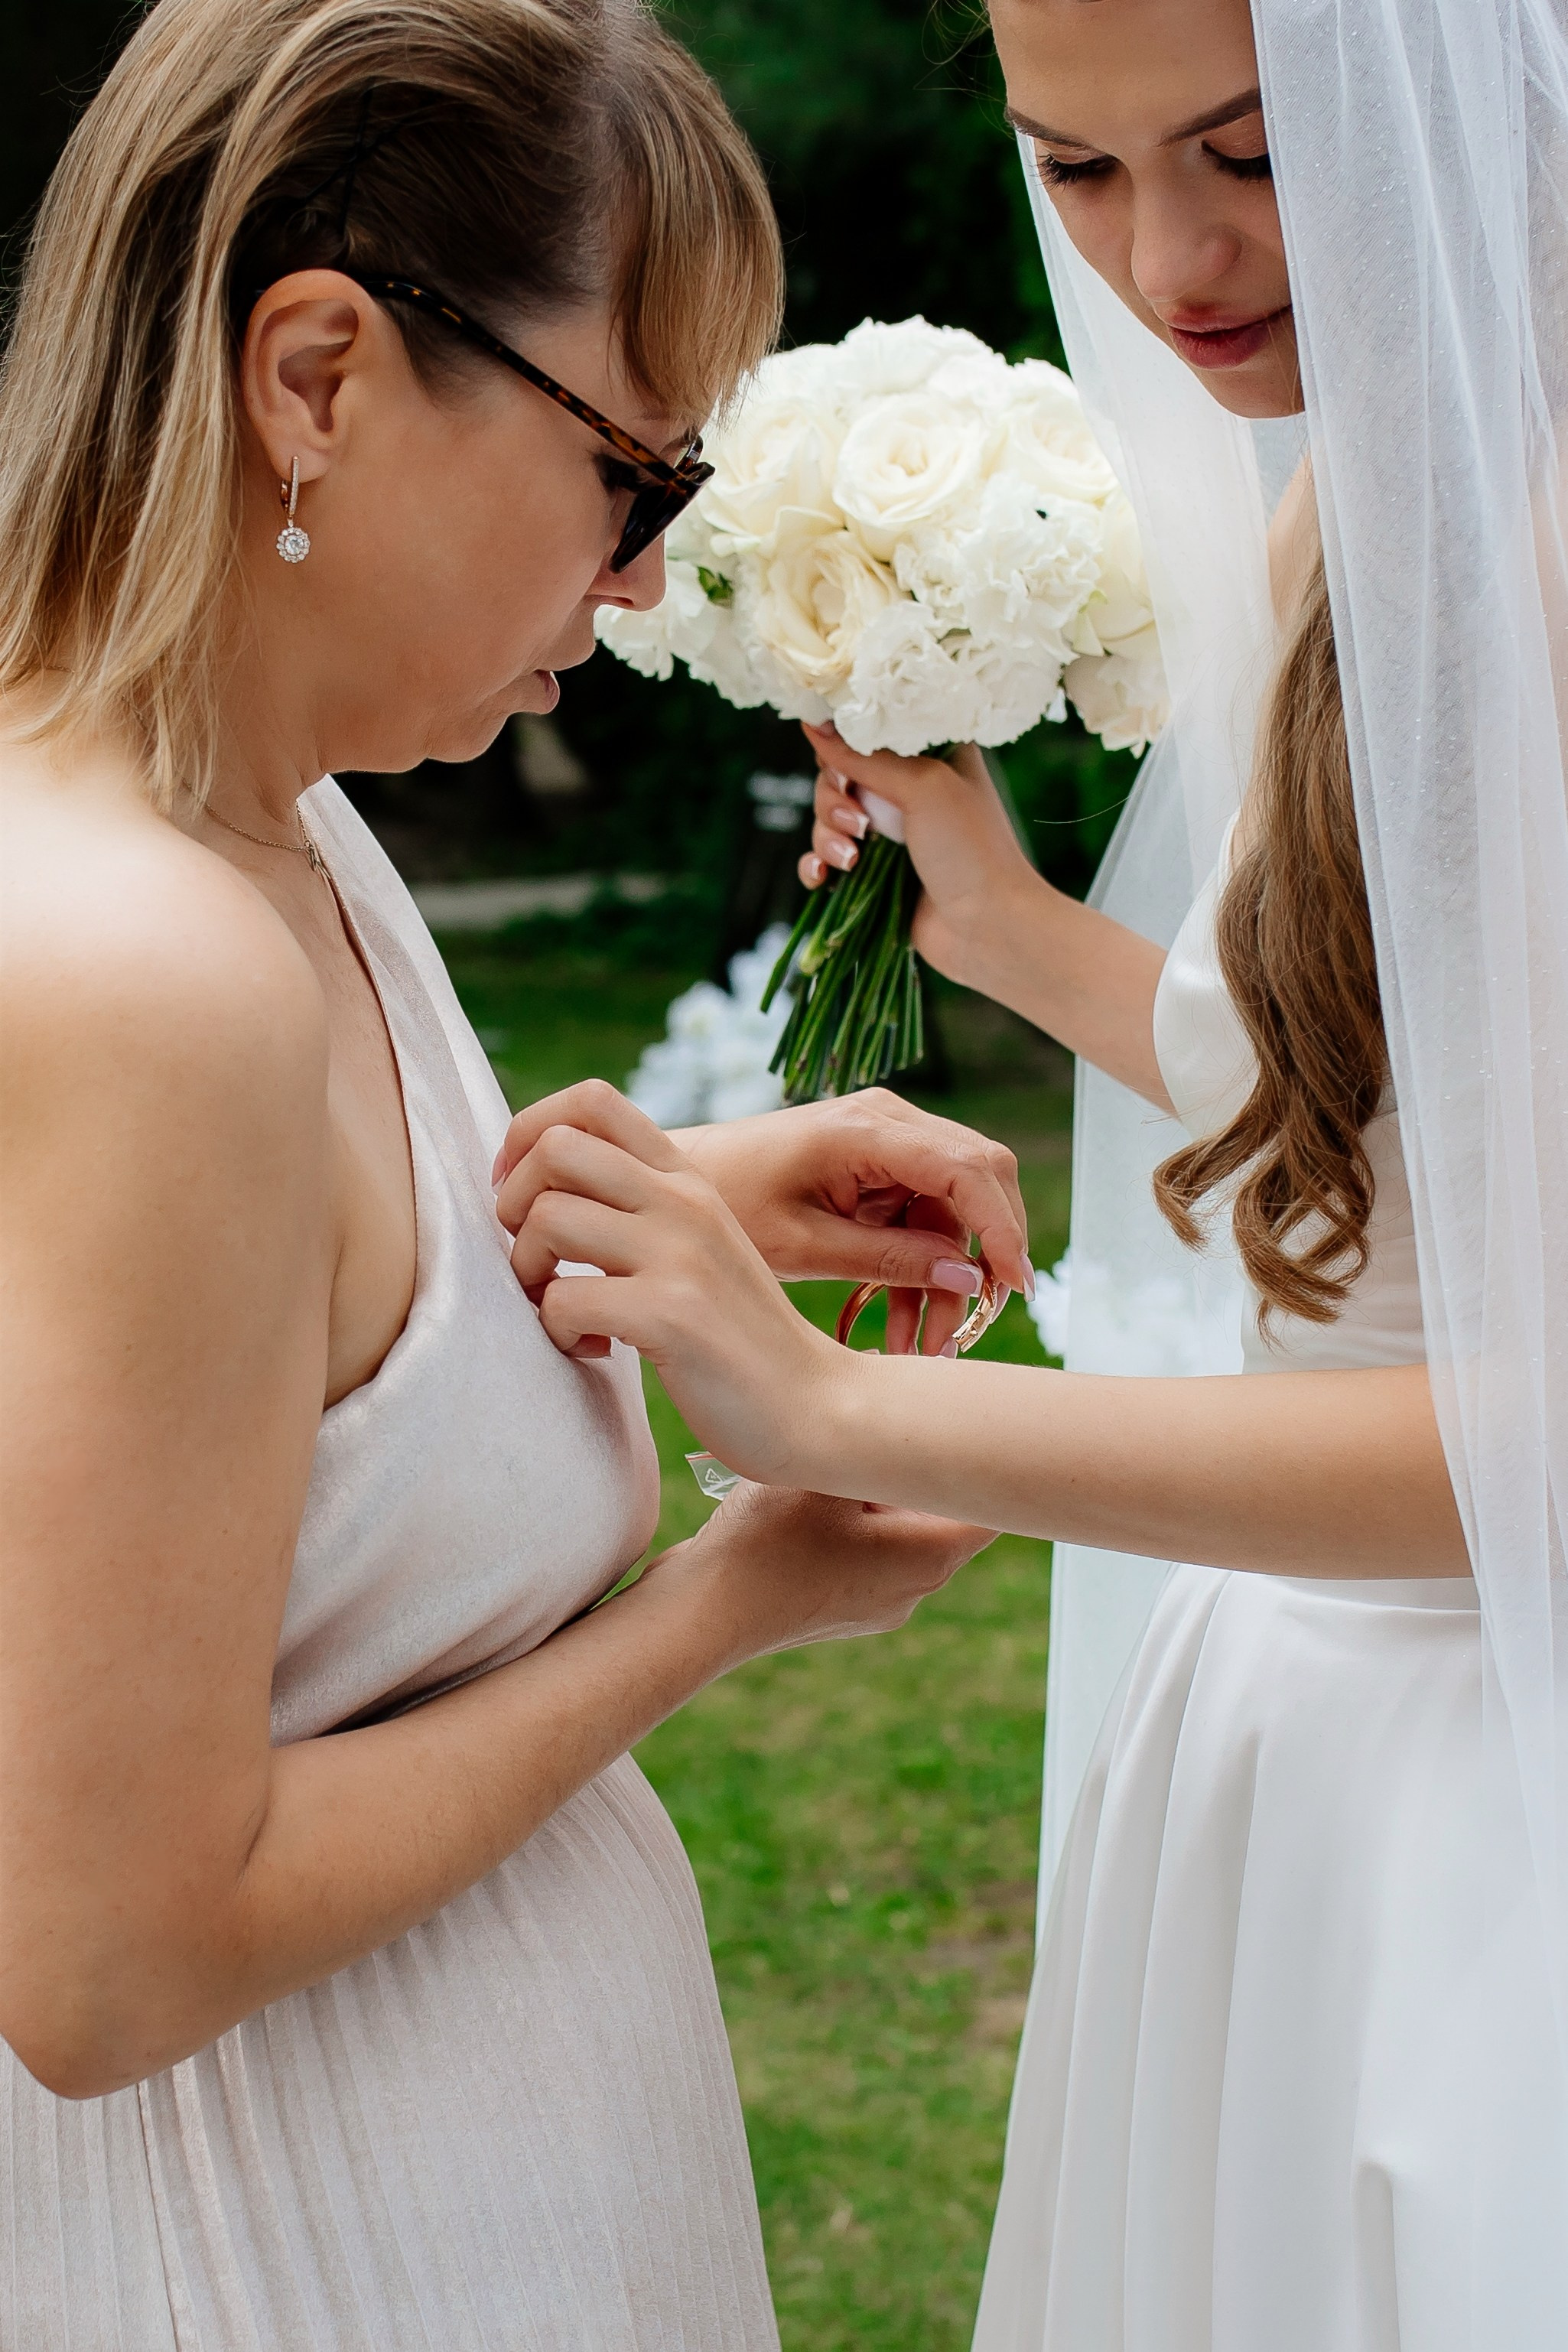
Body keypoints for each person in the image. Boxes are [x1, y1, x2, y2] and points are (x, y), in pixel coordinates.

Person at [496, 0, 1568, 2340]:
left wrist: (839, 1411)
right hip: (1293, 1734)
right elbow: (1400, 1090)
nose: (1164, 260)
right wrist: (1005, 930)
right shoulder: (1351, 496)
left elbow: (1528, 1444)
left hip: (1487, 1789)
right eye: (1072, 173)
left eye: (1244, 151)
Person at [0, 3, 1036, 2344]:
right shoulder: (150, 965)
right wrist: (725, 1595)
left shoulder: (266, 820)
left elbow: (247, 1377)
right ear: (320, 378)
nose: (651, 583)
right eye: (628, 482)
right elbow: (105, 1951)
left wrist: (676, 1187)